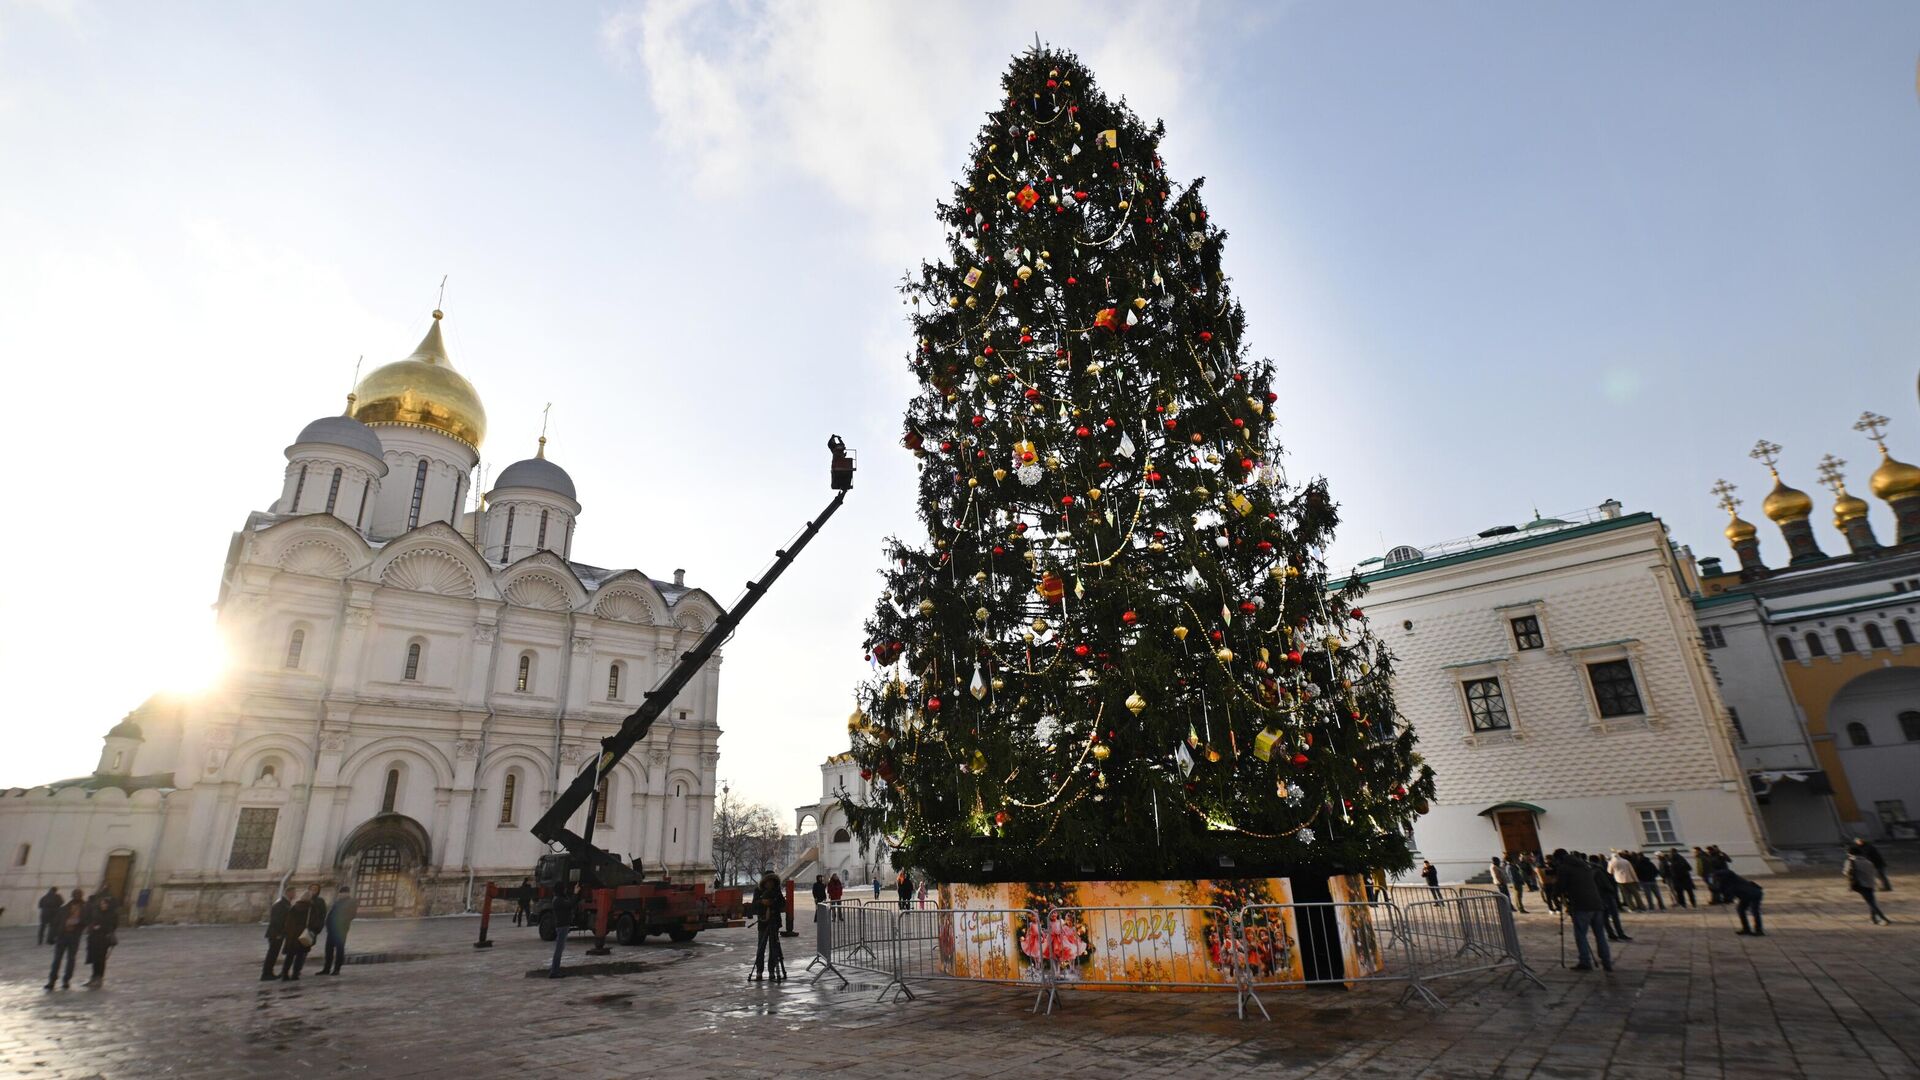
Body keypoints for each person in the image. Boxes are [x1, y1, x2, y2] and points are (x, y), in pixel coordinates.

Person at [1554, 850, 1612, 972]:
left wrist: (1555, 894)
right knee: (1600, 934)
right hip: (1597, 904)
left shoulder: (1564, 868)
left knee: (1580, 934)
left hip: (1581, 905)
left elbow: (1561, 886)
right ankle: (1607, 961)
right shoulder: (1585, 866)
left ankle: (1585, 961)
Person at [46, 888, 88, 990]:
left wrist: (78, 922)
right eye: (75, 894)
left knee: (71, 959)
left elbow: (87, 920)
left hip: (74, 936)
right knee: (57, 959)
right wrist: (51, 936)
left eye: (78, 894)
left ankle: (66, 980)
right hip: (62, 936)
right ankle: (52, 980)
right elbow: (56, 923)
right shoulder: (65, 908)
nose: (76, 896)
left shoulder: (85, 908)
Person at [750, 870, 785, 982]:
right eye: (768, 881)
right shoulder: (758, 891)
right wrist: (762, 903)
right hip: (763, 923)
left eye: (772, 882)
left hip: (774, 922)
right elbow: (754, 906)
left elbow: (782, 904)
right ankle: (759, 971)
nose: (770, 884)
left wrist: (773, 903)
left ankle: (772, 970)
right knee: (761, 947)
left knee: (774, 948)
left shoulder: (777, 891)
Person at [280, 884, 320, 980]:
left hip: (292, 935)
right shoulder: (312, 908)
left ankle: (284, 974)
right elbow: (314, 923)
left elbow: (288, 922)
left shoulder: (294, 907)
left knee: (290, 955)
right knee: (300, 955)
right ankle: (295, 974)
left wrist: (288, 933)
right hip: (303, 935)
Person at [1844, 848, 1891, 925]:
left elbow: (1846, 872)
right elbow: (1873, 872)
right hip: (1871, 884)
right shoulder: (1868, 861)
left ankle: (1883, 918)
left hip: (1860, 884)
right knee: (1871, 901)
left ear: (1850, 854)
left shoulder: (1851, 861)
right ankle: (1873, 918)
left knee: (1871, 903)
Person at [1590, 854, 1631, 941]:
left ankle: (1611, 934)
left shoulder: (1590, 871)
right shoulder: (1599, 870)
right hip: (1606, 896)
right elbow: (1606, 883)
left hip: (1598, 896)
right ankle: (1620, 933)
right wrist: (1612, 890)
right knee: (1614, 916)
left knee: (1605, 917)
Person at [318, 885, 357, 975]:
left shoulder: (351, 902)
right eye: (340, 893)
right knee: (328, 949)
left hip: (341, 930)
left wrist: (341, 922)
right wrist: (327, 924)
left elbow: (351, 915)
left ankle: (337, 969)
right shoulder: (337, 902)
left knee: (339, 949)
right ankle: (326, 968)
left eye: (342, 893)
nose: (340, 895)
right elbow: (331, 913)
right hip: (331, 929)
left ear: (346, 893)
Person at [83, 892, 118, 987]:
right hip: (94, 939)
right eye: (102, 904)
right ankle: (94, 977)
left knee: (101, 959)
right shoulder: (95, 912)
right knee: (94, 959)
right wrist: (93, 927)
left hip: (104, 939)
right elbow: (90, 922)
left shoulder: (111, 914)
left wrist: (101, 927)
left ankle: (99, 977)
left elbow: (113, 926)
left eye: (105, 904)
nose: (104, 905)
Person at [1715, 867, 1764, 935]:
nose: (1717, 879)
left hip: (1754, 894)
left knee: (1754, 911)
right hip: (1747, 895)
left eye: (1718, 878)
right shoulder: (1733, 879)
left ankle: (1759, 930)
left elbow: (1729, 897)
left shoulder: (1732, 883)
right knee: (1741, 909)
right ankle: (1746, 929)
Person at [262, 887, 293, 981]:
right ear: (288, 893)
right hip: (276, 934)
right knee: (272, 954)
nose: (294, 895)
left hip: (278, 933)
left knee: (274, 954)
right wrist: (279, 933)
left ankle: (269, 972)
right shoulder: (280, 904)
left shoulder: (285, 903)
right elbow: (277, 920)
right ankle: (266, 974)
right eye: (293, 893)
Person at [548, 883, 575, 978]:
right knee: (558, 950)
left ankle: (555, 971)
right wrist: (575, 894)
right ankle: (554, 972)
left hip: (563, 926)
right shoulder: (558, 900)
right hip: (562, 926)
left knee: (560, 949)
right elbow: (570, 904)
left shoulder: (559, 898)